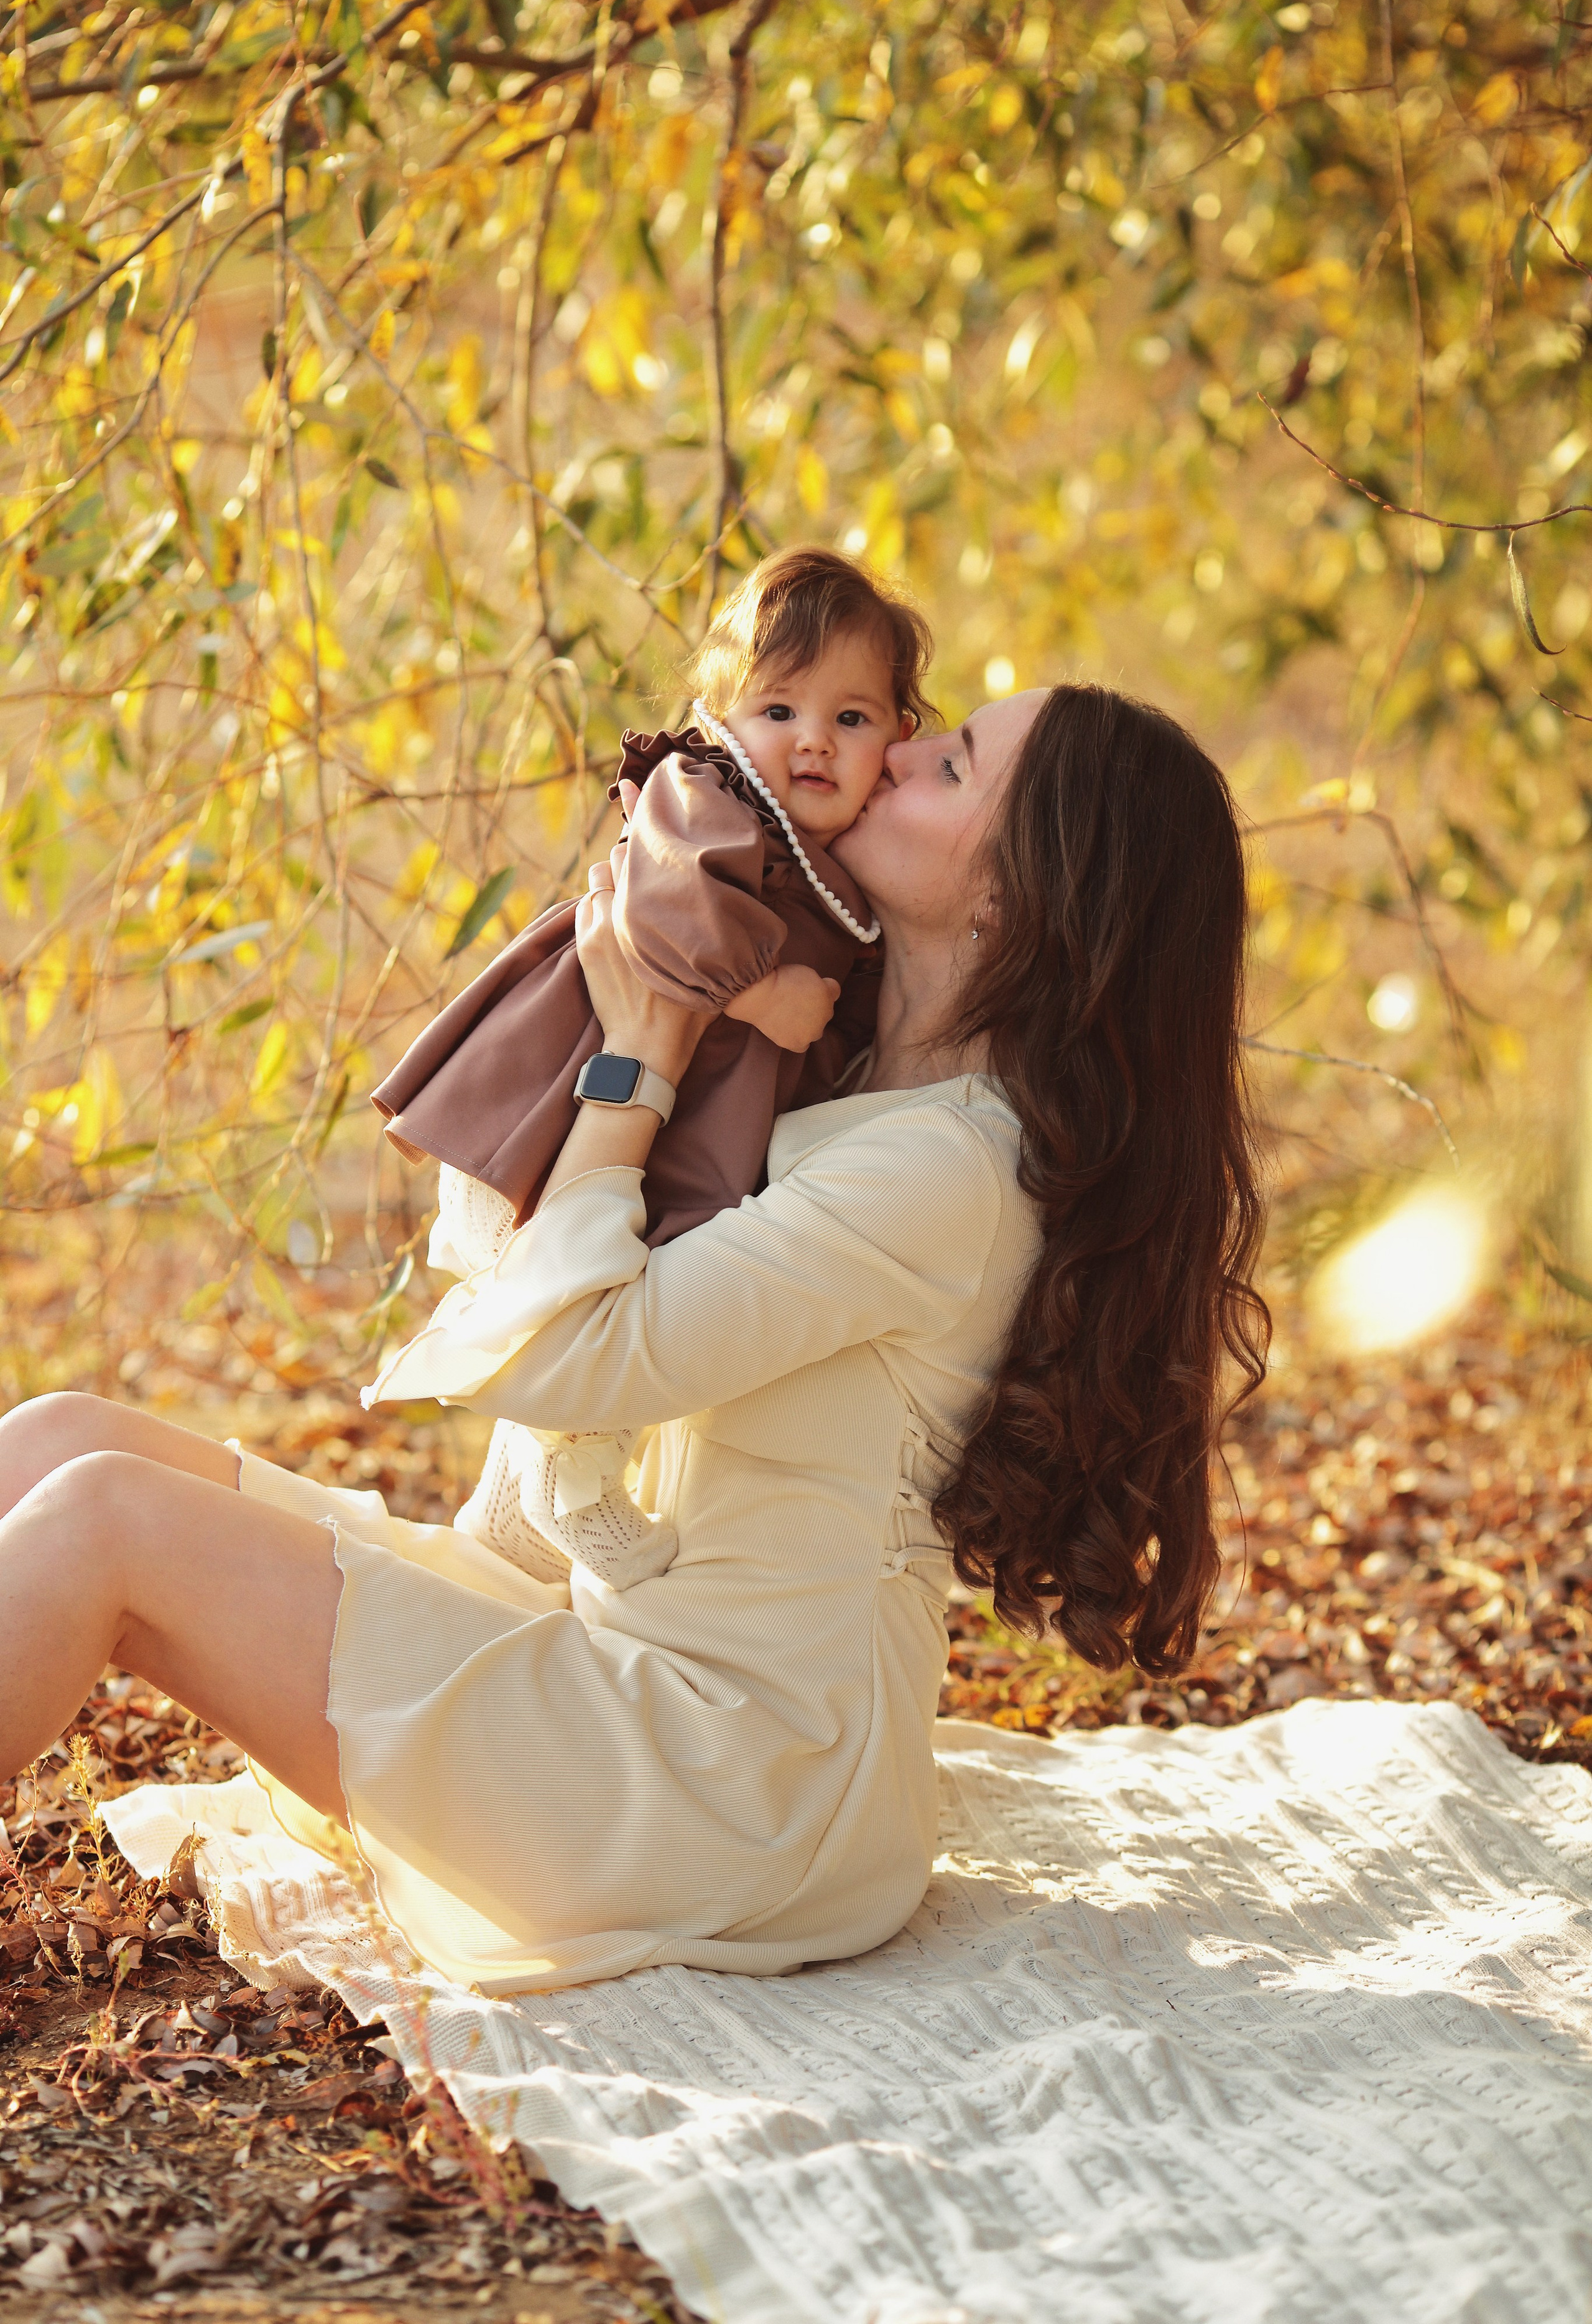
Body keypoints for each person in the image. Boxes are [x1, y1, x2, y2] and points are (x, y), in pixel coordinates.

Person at [0, 683, 1268, 1996]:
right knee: (60, 1439)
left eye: (944, 766)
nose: (887, 755)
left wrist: (641, 1057)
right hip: (616, 1646)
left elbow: (569, 1363)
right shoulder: (831, 1058)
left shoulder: (942, 1168)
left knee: (104, 1520)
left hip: (727, 1789)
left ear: (1014, 898)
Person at [370, 545, 930, 1590]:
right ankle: (573, 1481)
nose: (813, 740)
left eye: (851, 720)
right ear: (722, 711)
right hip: (562, 1090)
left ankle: (511, 1506)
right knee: (606, 1289)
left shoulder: (840, 864)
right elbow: (661, 909)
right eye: (779, 710)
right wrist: (764, 992)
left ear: (899, 735)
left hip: (681, 1116)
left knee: (653, 1278)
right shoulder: (702, 790)